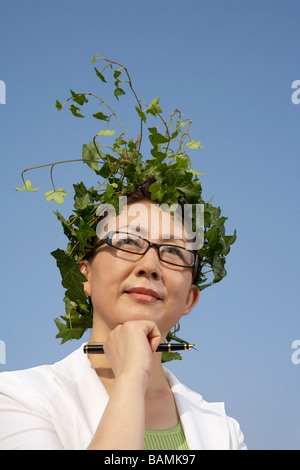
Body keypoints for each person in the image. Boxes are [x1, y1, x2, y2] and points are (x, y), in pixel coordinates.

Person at [0, 186, 246, 450]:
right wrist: (130, 379)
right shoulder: (18, 397)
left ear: (189, 299)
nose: (150, 266)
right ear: (86, 274)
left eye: (174, 252)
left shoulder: (224, 431)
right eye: (127, 241)